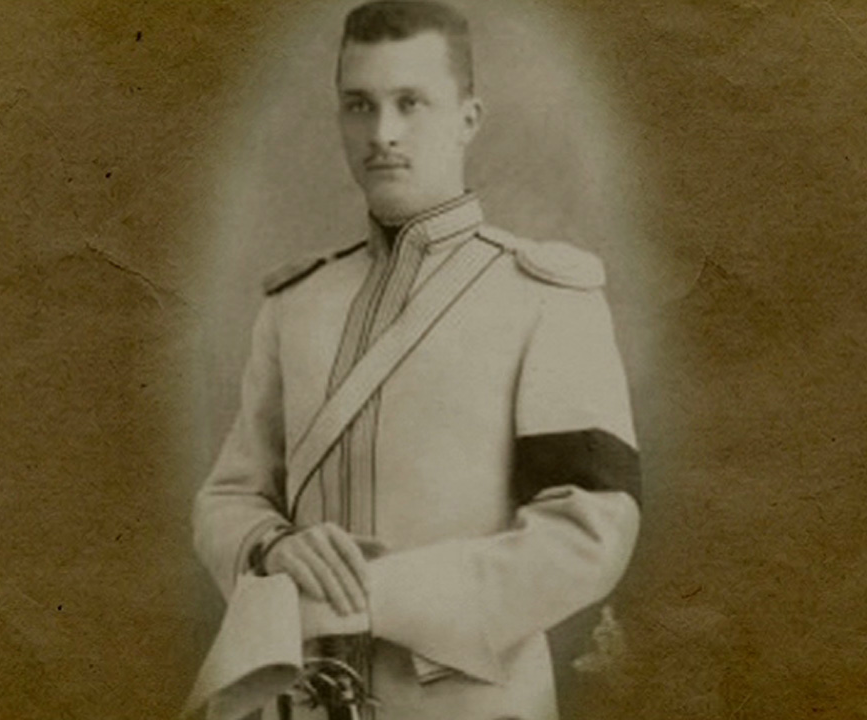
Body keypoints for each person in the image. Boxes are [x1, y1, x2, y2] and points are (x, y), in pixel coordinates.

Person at [191, 2, 642, 718]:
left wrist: (373, 597)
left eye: (411, 103)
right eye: (359, 105)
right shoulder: (295, 304)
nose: (383, 134)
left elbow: (589, 529)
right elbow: (229, 497)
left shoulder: (544, 296)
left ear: (468, 117)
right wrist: (272, 547)